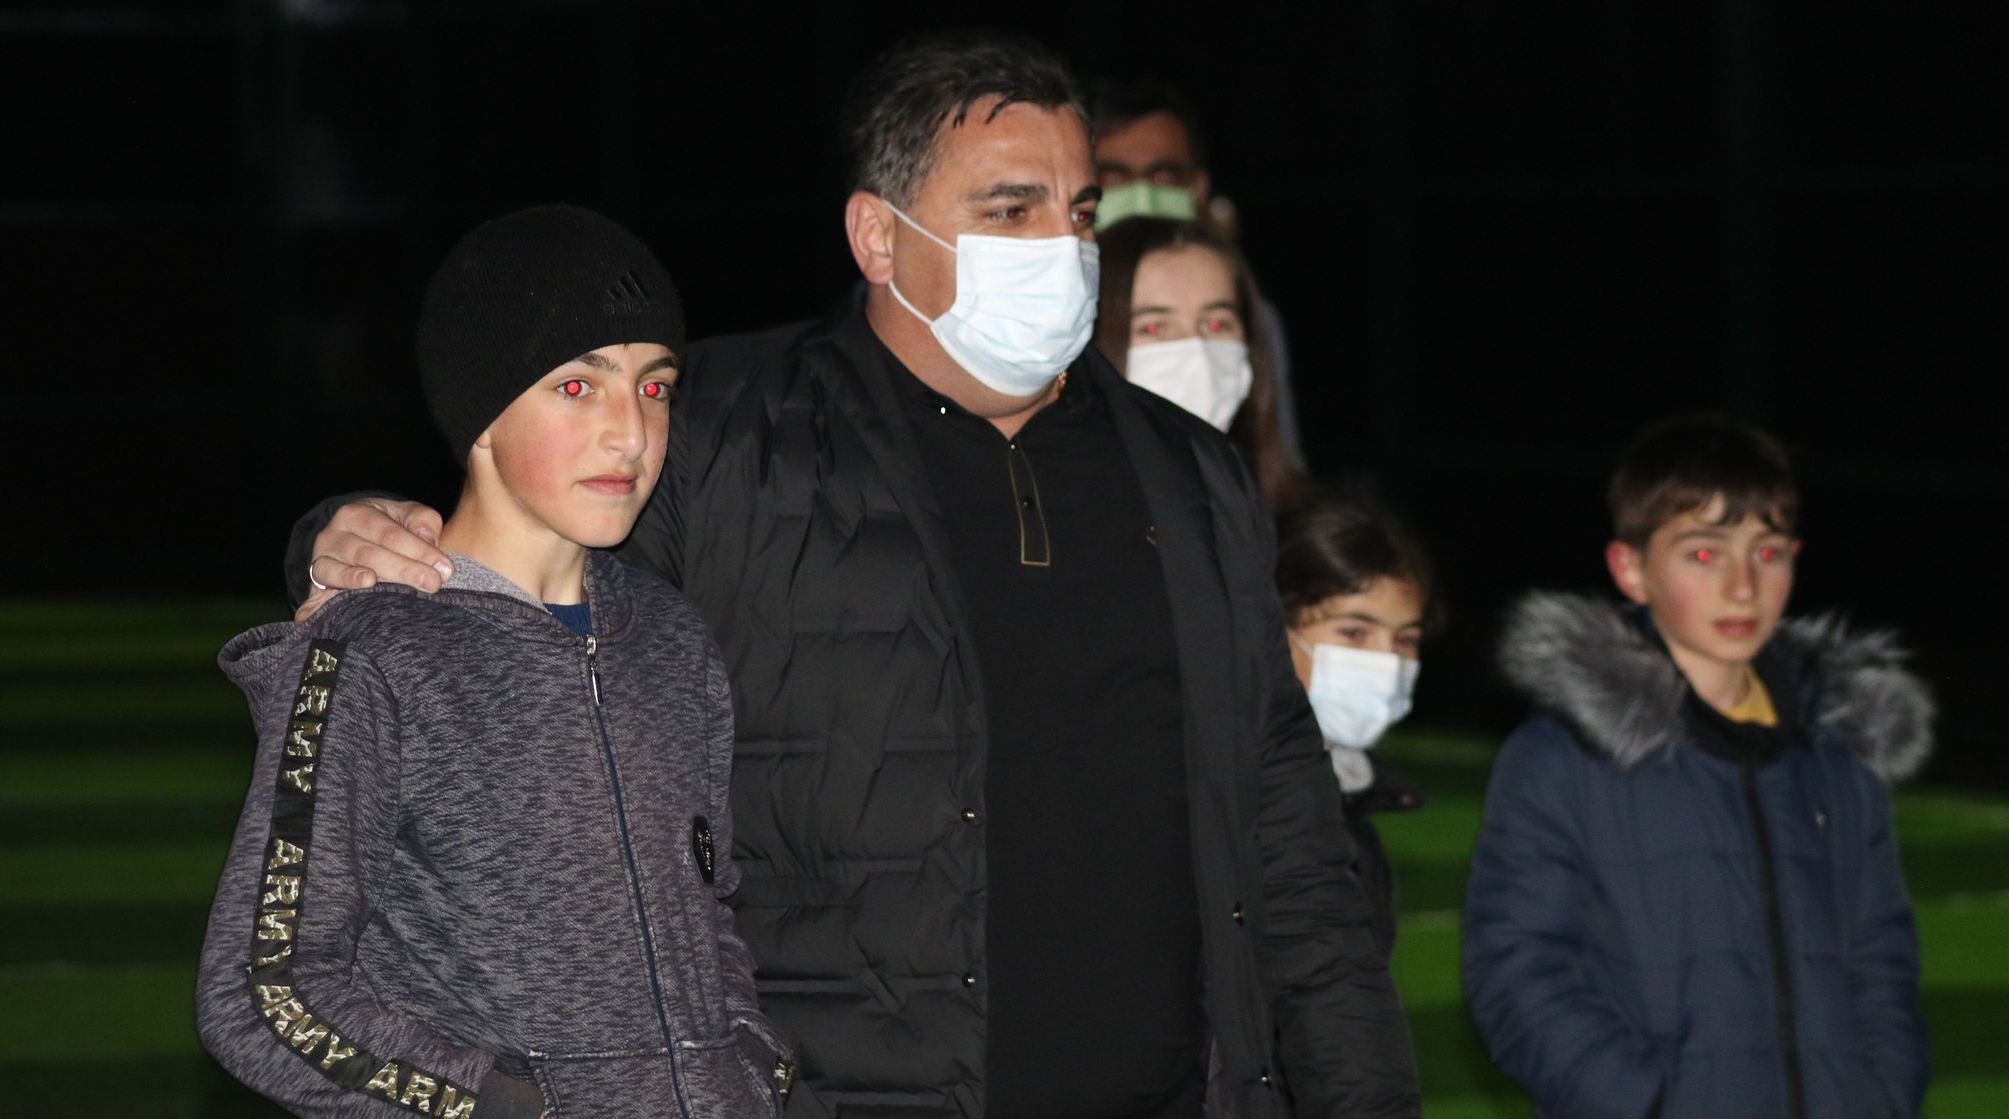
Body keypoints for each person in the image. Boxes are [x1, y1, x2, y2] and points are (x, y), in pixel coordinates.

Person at [288, 31, 1418, 1119]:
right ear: (877, 236)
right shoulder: (724, 435)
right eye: (1009, 210)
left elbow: (1288, 841)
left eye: (1079, 211)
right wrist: (338, 534)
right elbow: (510, 560)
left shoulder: (1189, 473)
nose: (1063, 247)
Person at [197, 205, 793, 1119]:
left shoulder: (672, 639)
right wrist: (504, 1106)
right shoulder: (375, 651)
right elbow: (262, 992)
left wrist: (747, 1067)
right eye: (577, 386)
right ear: (480, 413)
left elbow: (708, 917)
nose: (630, 434)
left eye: (655, 387)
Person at [1462, 414, 1931, 1119]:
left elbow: (1881, 958)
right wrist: (1651, 1104)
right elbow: (1518, 971)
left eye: (1767, 552)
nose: (1743, 587)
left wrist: (1883, 1096)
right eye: (1704, 554)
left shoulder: (1837, 757)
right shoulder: (1561, 759)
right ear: (1631, 569)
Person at [1088, 78, 1303, 461]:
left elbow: (1276, 451)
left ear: (1199, 188)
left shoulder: (1248, 306)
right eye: (1114, 177)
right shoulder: (1059, 311)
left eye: (1163, 176)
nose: (1142, 193)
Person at [1274, 486, 1439, 958]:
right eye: (1354, 632)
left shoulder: (1351, 796)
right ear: (1275, 629)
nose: (1387, 661)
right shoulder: (1235, 797)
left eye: (1405, 640)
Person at [1095, 215, 1307, 512]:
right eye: (1155, 328)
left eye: (1216, 324)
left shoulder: (1291, 525)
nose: (1197, 351)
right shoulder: (1056, 515)